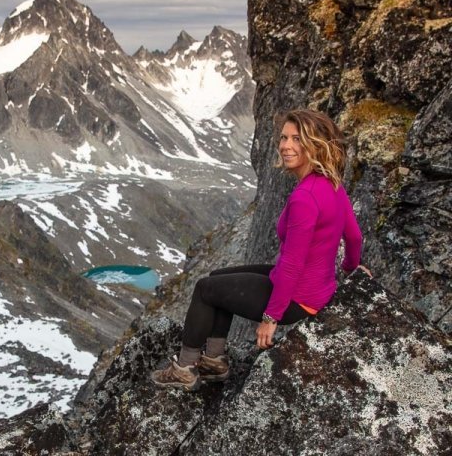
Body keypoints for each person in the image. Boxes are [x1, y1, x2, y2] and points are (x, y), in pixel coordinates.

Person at [152, 108, 369, 390]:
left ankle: (185, 367)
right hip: (312, 290)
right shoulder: (332, 185)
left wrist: (271, 318)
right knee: (218, 278)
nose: (286, 146)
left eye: (296, 139)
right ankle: (214, 361)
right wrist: (352, 269)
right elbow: (354, 238)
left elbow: (292, 262)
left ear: (315, 145)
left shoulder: (306, 197)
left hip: (296, 298)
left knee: (205, 290)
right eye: (284, 137)